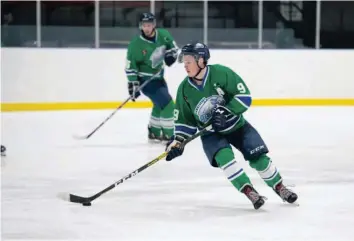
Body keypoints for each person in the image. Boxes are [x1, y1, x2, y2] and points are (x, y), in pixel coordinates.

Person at [165, 42, 298, 209]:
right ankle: (249, 191)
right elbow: (185, 121)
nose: (185, 66)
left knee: (259, 158)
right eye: (184, 62)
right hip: (211, 134)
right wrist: (178, 142)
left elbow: (244, 95)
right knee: (225, 160)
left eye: (189, 61)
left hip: (237, 125)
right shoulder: (184, 89)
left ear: (201, 60)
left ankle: (279, 187)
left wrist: (226, 111)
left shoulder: (221, 73)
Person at [125, 12, 178, 143]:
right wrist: (133, 84)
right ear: (140, 26)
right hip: (146, 81)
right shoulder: (135, 45)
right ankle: (169, 134)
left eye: (149, 25)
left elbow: (174, 48)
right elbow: (130, 67)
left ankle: (154, 132)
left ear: (154, 25)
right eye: (144, 25)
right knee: (168, 105)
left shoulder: (163, 35)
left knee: (159, 104)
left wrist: (171, 55)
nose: (147, 28)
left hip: (159, 78)